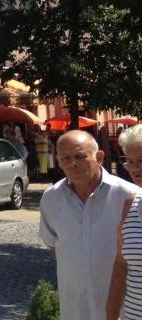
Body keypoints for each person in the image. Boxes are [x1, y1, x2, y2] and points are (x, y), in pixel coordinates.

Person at [39, 130, 137, 319]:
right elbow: (52, 243)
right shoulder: (51, 198)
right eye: (65, 158)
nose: (73, 164)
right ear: (58, 161)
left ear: (99, 157)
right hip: (74, 309)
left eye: (80, 156)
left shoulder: (129, 196)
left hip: (124, 311)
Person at [106, 125, 142, 319]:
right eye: (130, 162)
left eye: (141, 161)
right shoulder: (130, 205)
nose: (135, 169)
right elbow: (121, 265)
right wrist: (111, 313)